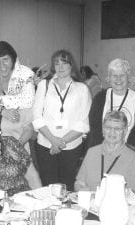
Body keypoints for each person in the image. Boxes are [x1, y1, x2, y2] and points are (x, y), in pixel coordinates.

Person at [33, 50, 92, 190]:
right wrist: (53, 140)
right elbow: (36, 116)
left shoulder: (82, 88)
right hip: (45, 145)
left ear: (71, 65)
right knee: (48, 186)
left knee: (68, 186)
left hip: (71, 146)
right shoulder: (44, 85)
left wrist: (61, 142)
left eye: (64, 63)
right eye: (57, 63)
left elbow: (83, 122)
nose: (60, 67)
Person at [75, 111, 135, 191]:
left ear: (125, 131)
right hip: (91, 200)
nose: (112, 132)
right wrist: (84, 192)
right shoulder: (92, 152)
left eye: (117, 129)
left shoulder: (132, 157)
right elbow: (79, 183)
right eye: (108, 128)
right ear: (103, 129)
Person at [88, 58, 135, 150]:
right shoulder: (100, 98)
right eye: (114, 75)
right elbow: (94, 127)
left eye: (122, 75)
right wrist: (105, 148)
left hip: (129, 151)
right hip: (102, 149)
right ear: (109, 77)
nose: (118, 79)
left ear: (128, 77)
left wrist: (125, 150)